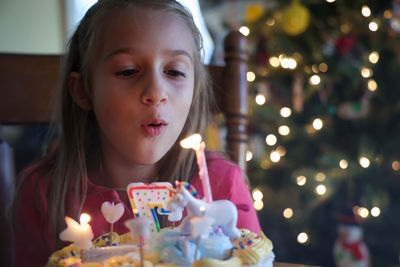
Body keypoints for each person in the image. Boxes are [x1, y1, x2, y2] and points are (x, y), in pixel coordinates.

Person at [12, 0, 261, 266]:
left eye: (174, 72)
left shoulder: (222, 184)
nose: (155, 93)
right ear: (84, 90)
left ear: (195, 90)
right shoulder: (42, 193)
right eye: (128, 71)